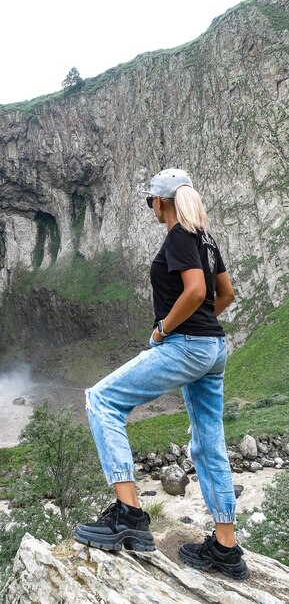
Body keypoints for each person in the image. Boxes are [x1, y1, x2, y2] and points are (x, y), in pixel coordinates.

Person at [74, 168, 250, 580]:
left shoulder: (178, 236)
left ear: (162, 201)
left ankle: (130, 516)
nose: (150, 207)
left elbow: (196, 293)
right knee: (210, 443)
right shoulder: (206, 239)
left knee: (102, 400)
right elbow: (225, 295)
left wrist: (165, 330)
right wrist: (203, 328)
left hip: (186, 345)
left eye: (150, 200)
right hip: (214, 349)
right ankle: (226, 548)